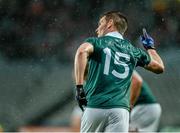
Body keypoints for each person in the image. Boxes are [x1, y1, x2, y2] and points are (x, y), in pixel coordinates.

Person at [74, 11, 164, 132]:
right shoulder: (133, 50)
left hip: (96, 106)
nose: (97, 28)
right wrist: (150, 48)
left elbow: (81, 52)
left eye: (101, 23)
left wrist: (79, 87)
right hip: (120, 111)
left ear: (110, 23)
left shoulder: (96, 42)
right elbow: (159, 67)